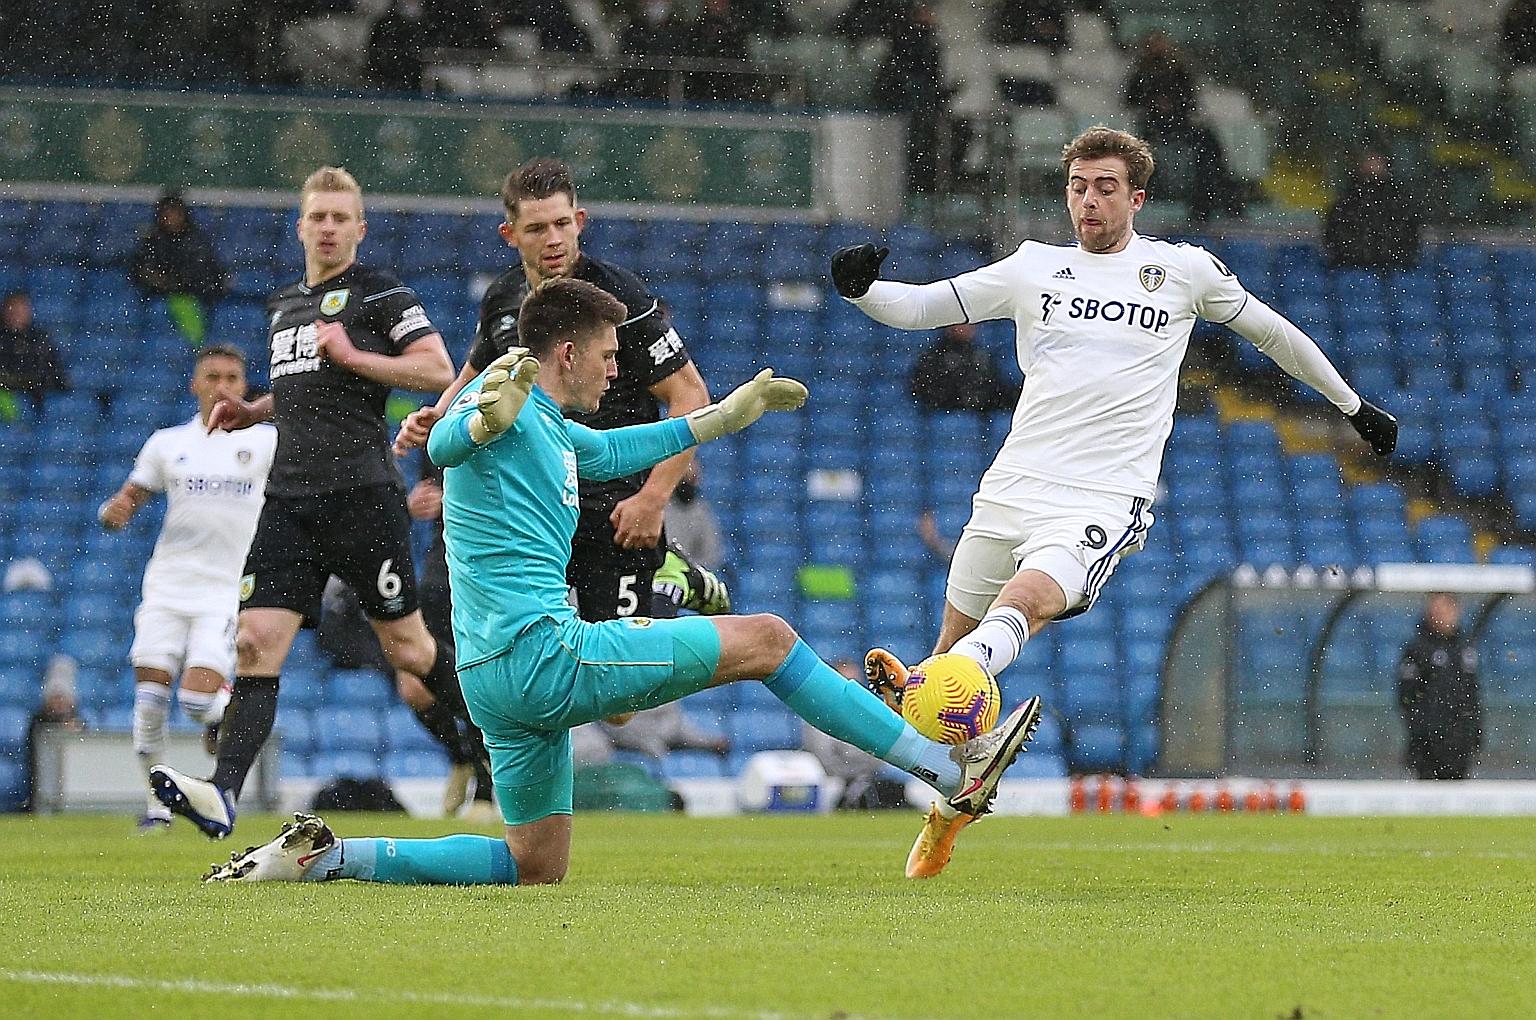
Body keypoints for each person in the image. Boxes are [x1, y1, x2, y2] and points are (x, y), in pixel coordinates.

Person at [204, 278, 1041, 885]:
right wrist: (478, 412)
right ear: (565, 350)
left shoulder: (554, 426)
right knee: (770, 640)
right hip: (543, 656)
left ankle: (328, 856)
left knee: (534, 865)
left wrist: (727, 414)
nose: (617, 371)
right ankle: (946, 770)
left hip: (495, 678)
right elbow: (451, 442)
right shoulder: (502, 396)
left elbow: (621, 450)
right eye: (607, 357)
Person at [831, 125, 1399, 878]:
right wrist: (860, 289)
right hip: (1010, 487)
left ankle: (955, 692)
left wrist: (1351, 404)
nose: (1089, 201)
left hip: (1102, 495)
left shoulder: (1182, 271)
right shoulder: (1034, 268)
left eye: (1104, 187)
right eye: (1077, 187)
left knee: (1021, 605)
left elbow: (1273, 334)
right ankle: (953, 799)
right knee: (946, 676)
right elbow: (921, 307)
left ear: (1136, 197)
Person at [148, 167, 469, 840]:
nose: (326, 227)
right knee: (255, 641)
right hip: (289, 500)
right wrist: (253, 409)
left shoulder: (382, 293)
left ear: (358, 228)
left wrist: (355, 355)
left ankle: (502, 753)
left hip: (362, 495)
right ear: (301, 227)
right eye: (316, 216)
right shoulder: (284, 305)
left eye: (338, 217)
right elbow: (302, 390)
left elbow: (437, 368)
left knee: (410, 649)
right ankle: (221, 795)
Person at [395, 157, 715, 625]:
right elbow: (477, 372)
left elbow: (691, 395)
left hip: (615, 509)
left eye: (563, 224)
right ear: (510, 234)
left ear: (579, 222)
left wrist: (652, 499)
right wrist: (437, 414)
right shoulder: (504, 299)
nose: (553, 240)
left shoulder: (620, 296)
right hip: (534, 510)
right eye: (537, 228)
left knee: (618, 678)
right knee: (531, 664)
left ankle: (671, 575)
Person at [97, 344, 276, 833]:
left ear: (244, 386)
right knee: (149, 703)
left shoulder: (263, 442)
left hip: (225, 589)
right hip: (167, 586)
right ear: (195, 384)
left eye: (232, 378)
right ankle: (157, 808)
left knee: (196, 701)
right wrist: (116, 512)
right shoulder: (166, 442)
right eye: (213, 376)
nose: (222, 386)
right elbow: (131, 496)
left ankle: (224, 718)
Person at [1396, 593, 1481, 781]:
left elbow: (1472, 695)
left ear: (1457, 611)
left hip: (1460, 746)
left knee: (1458, 805)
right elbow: (1406, 697)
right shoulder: (1417, 649)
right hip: (1427, 747)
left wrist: (1474, 734)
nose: (1441, 615)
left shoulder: (1465, 649)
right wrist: (1423, 730)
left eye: (1446, 609)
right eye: (1436, 610)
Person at [128, 190, 230, 345]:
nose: (171, 218)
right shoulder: (153, 242)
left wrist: (176, 282)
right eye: (167, 213)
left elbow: (206, 274)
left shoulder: (196, 241)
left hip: (194, 300)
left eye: (175, 212)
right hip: (161, 299)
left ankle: (194, 347)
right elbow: (140, 272)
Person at [1323, 150, 1421, 272]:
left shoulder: (1398, 204)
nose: (1372, 166)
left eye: (1376, 162)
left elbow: (1408, 237)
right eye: (1369, 162)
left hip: (1389, 268)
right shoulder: (1347, 204)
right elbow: (1337, 238)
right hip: (1355, 268)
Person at [908, 322, 1016, 413]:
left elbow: (994, 386)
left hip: (980, 411)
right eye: (964, 323)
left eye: (972, 324)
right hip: (948, 411)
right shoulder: (935, 356)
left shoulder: (980, 354)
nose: (968, 327)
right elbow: (925, 389)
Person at [0, 291, 70, 412]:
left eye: (21, 310)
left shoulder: (40, 339)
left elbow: (55, 373)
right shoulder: (2, 340)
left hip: (38, 398)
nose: (16, 314)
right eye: (12, 309)